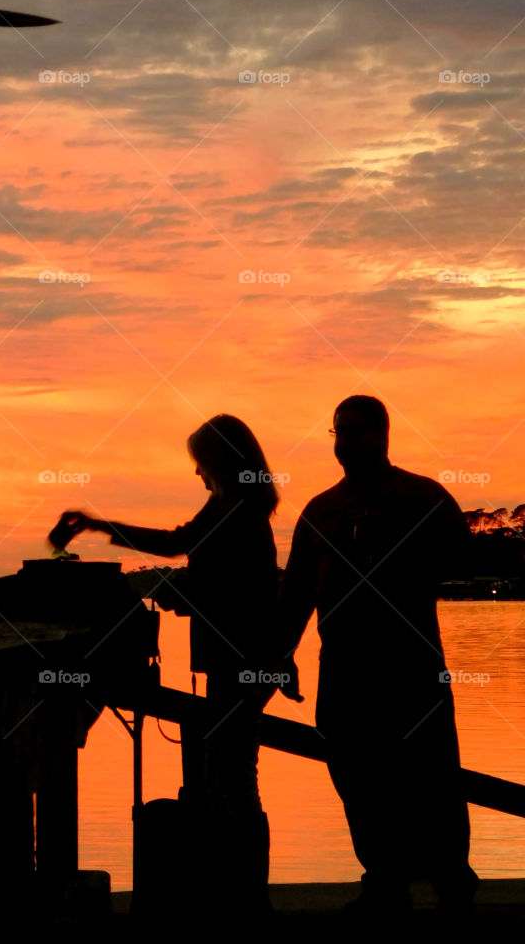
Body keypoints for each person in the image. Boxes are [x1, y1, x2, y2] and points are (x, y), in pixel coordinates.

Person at [55, 413, 296, 918]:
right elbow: (176, 543)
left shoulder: (243, 513)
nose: (196, 473)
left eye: (200, 462)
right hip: (233, 659)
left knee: (234, 778)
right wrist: (100, 526)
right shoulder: (226, 505)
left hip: (242, 661)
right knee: (226, 777)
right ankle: (240, 892)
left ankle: (249, 898)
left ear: (222, 461)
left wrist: (184, 594)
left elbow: (241, 595)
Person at [277, 394, 479, 921]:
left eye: (358, 430)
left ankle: (452, 882)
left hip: (413, 670)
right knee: (356, 779)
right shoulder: (320, 511)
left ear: (384, 435)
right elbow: (297, 593)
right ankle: (384, 881)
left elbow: (466, 556)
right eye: (339, 432)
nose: (347, 442)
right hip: (343, 675)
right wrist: (282, 654)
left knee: (434, 779)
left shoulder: (422, 498)